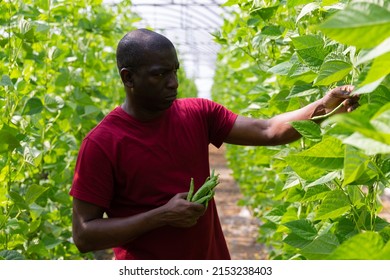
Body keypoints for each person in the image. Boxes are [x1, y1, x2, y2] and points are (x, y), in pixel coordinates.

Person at [70, 28, 359, 260]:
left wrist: (324, 106)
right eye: (160, 74)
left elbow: (269, 130)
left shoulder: (197, 113)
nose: (173, 83)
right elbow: (84, 235)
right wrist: (161, 216)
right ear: (128, 77)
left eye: (175, 71)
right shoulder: (102, 143)